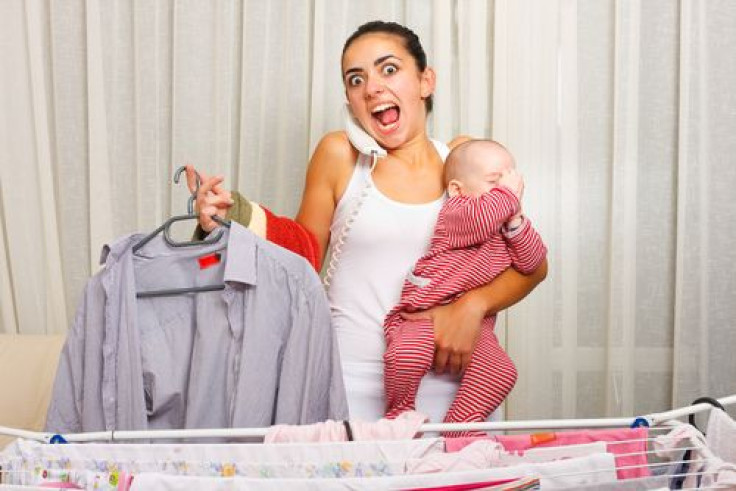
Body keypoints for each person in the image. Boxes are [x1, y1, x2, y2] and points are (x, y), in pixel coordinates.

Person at [187, 20, 548, 423]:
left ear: (426, 81)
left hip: (459, 384)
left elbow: (530, 264)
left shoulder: (465, 161)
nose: (372, 87)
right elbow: (304, 252)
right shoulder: (340, 154)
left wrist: (471, 307)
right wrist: (230, 215)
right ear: (350, 100)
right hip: (352, 383)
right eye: (356, 79)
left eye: (388, 69)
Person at [382, 139, 547, 434]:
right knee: (407, 355)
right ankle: (399, 414)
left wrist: (516, 222)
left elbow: (533, 262)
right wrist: (507, 195)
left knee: (501, 372)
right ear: (457, 190)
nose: (508, 189)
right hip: (423, 312)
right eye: (495, 181)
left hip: (473, 325)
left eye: (511, 180)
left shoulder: (504, 225)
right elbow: (483, 218)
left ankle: (459, 427)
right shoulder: (458, 214)